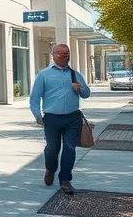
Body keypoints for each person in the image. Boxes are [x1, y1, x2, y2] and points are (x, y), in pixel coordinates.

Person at [30, 43, 91, 194]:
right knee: (52, 148)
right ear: (53, 55)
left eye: (66, 53)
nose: (64, 56)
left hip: (73, 118)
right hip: (52, 119)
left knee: (70, 148)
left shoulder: (75, 74)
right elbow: (35, 97)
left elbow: (87, 94)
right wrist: (38, 116)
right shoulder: (44, 74)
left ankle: (65, 180)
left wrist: (80, 88)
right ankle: (50, 168)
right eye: (60, 53)